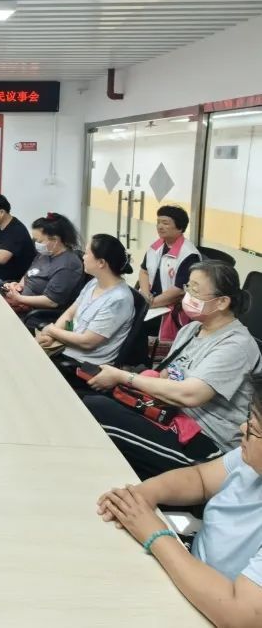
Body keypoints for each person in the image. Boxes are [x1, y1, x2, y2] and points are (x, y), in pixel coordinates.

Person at [95, 377, 262, 626]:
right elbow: (201, 479)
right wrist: (144, 495)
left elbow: (240, 615)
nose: (242, 428)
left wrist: (155, 535)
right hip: (191, 568)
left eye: (255, 428)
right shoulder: (248, 458)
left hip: (214, 606)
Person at [84, 260, 261, 479]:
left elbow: (191, 395)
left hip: (206, 444)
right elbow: (165, 376)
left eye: (195, 290)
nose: (188, 295)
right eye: (188, 287)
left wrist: (123, 376)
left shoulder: (236, 345)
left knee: (96, 411)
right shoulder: (191, 329)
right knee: (97, 401)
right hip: (168, 417)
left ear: (222, 302)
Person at [35, 233, 135, 366]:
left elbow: (87, 342)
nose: (83, 257)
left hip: (82, 363)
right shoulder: (95, 282)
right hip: (65, 348)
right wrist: (52, 337)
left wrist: (52, 330)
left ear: (101, 263)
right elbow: (71, 315)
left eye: (87, 253)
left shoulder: (119, 299)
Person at [139, 205, 201, 342]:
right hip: (151, 301)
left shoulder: (189, 255)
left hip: (170, 306)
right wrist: (145, 295)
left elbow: (179, 291)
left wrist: (149, 304)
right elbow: (144, 271)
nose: (160, 227)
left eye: (165, 223)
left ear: (179, 227)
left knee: (135, 323)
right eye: (158, 222)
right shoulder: (156, 246)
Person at [2, 213, 83, 315]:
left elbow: (51, 302)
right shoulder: (45, 254)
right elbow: (30, 274)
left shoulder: (68, 265)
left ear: (55, 240)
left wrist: (19, 298)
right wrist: (18, 286)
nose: (36, 244)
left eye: (39, 241)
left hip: (34, 311)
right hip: (20, 299)